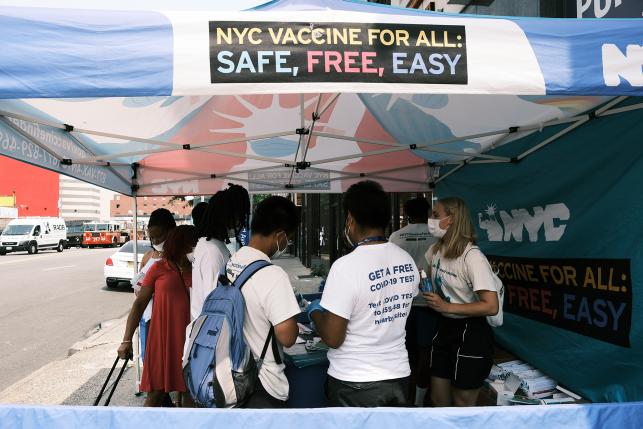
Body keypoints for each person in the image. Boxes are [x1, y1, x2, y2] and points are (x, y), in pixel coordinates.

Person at [309, 180, 419, 408]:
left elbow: (332, 338)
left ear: (350, 218)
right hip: (398, 376)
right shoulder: (406, 261)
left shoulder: (345, 267)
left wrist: (316, 312)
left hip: (355, 380)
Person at [224, 196, 300, 408]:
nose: (286, 244)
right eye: (289, 239)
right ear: (280, 235)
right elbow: (288, 337)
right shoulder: (274, 275)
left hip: (227, 378)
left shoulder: (228, 266)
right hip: (261, 385)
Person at [423, 197, 499, 407]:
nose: (430, 219)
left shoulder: (472, 257)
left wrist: (447, 306)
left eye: (435, 215)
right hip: (444, 326)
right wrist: (427, 289)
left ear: (452, 219)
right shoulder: (435, 250)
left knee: (462, 406)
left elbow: (491, 306)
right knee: (438, 399)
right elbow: (432, 282)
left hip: (471, 332)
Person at [118, 225, 196, 407]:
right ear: (182, 244)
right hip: (162, 340)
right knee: (155, 396)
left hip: (190, 341)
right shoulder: (158, 268)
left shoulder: (199, 269)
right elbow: (139, 304)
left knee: (191, 396)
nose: (196, 248)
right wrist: (126, 340)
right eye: (193, 244)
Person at [389, 197, 438, 407]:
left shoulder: (396, 237)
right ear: (427, 212)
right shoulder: (437, 235)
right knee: (425, 352)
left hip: (403, 304)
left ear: (407, 214)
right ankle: (419, 402)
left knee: (402, 350)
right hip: (431, 303)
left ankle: (401, 396)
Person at [190, 183, 250, 322]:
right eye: (239, 217)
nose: (241, 221)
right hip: (212, 335)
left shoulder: (209, 244)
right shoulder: (213, 254)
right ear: (226, 217)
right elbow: (214, 306)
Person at [132, 208, 177, 362]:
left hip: (169, 318)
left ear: (171, 232)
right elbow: (138, 290)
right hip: (147, 317)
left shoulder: (179, 258)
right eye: (152, 237)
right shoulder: (147, 257)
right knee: (149, 361)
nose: (156, 241)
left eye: (159, 236)